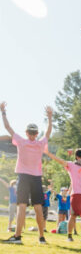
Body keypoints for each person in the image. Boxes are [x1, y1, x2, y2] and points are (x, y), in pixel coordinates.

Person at [0, 101, 53, 245]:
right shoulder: (40, 144)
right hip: (36, 178)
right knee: (38, 207)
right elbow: (48, 132)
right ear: (36, 134)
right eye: (34, 132)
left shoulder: (21, 141)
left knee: (21, 205)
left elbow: (7, 127)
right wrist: (49, 117)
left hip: (23, 176)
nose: (32, 134)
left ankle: (17, 237)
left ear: (26, 132)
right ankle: (41, 237)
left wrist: (3, 112)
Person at [45, 147, 81, 242]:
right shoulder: (71, 165)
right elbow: (59, 160)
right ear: (78, 157)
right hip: (76, 193)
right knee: (73, 215)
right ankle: (69, 236)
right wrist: (48, 153)